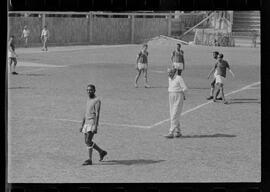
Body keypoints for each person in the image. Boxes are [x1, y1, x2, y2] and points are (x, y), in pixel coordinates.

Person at [80, 84, 107, 165]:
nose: (89, 91)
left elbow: (97, 113)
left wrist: (96, 126)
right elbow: (85, 112)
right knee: (87, 141)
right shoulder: (88, 99)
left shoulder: (97, 100)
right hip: (86, 123)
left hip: (92, 122)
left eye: (91, 90)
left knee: (88, 140)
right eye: (88, 90)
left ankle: (89, 159)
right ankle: (101, 152)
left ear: (94, 90)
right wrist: (82, 124)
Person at [165, 67, 188, 138]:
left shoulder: (179, 78)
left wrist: (183, 95)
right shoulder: (169, 78)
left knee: (175, 113)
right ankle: (178, 131)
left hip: (178, 96)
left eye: (170, 72)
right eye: (168, 72)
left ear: (174, 72)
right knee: (172, 113)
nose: (169, 74)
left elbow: (185, 88)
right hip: (171, 96)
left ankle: (171, 132)